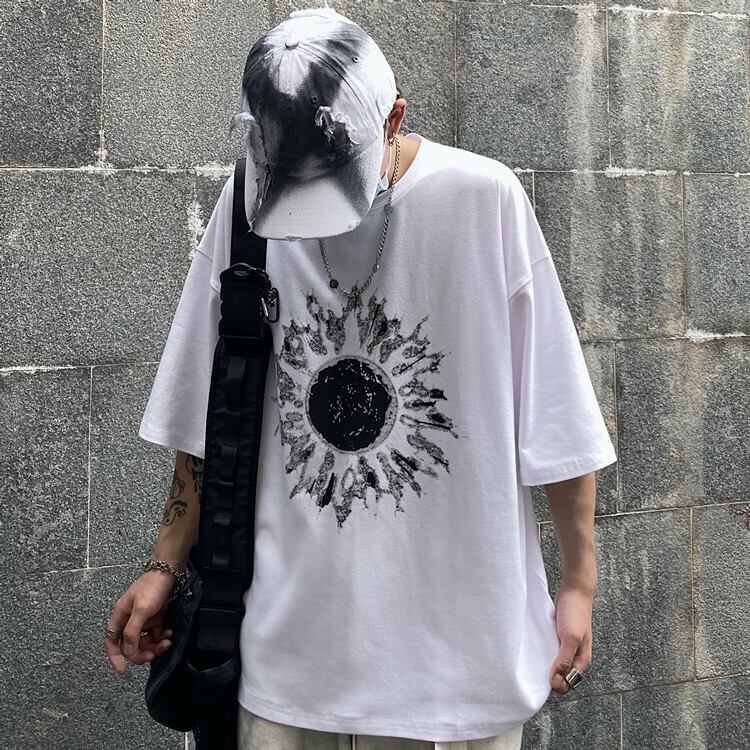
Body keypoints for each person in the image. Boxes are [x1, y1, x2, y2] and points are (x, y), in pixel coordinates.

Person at [104, 6, 617, 750]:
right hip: (288, 666)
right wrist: (164, 562)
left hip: (454, 670)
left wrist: (578, 584)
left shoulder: (486, 199)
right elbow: (210, 409)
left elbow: (557, 414)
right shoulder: (248, 203)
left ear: (396, 117)